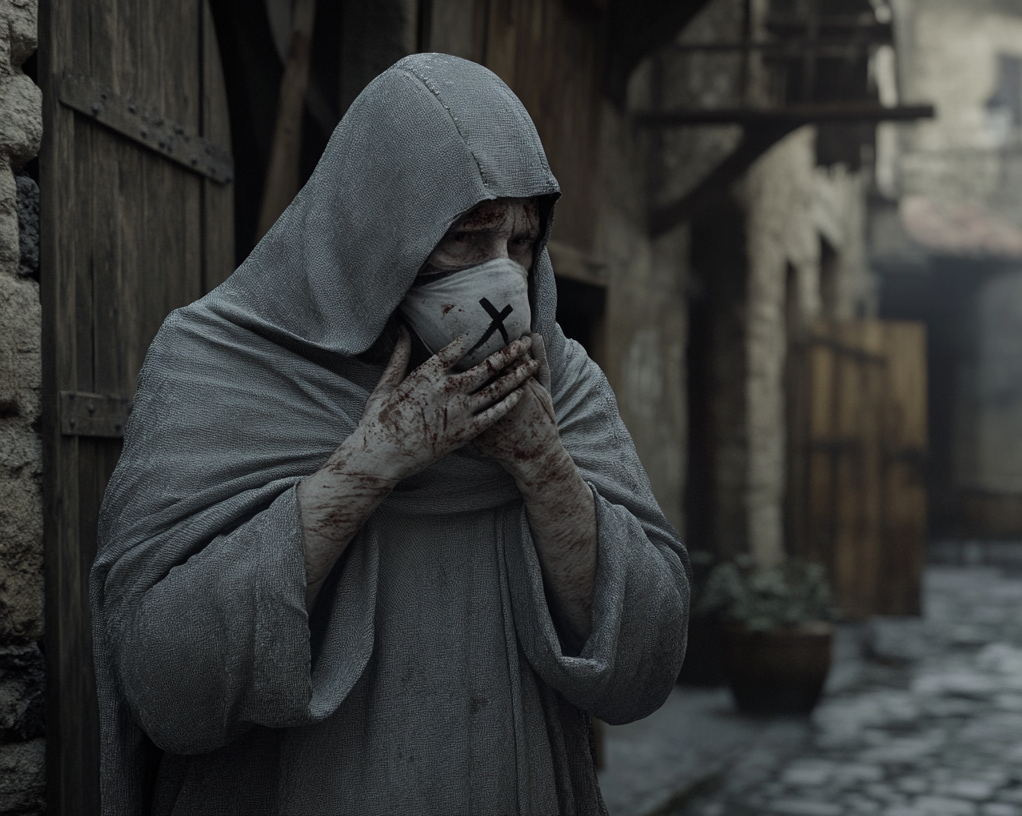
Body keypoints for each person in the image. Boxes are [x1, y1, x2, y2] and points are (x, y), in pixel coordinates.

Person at [90, 54, 689, 815]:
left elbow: (651, 651)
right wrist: (372, 464)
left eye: (523, 241)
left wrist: (541, 463)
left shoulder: (562, 383)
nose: (503, 280)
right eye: (468, 240)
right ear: (381, 232)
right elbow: (166, 676)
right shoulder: (223, 363)